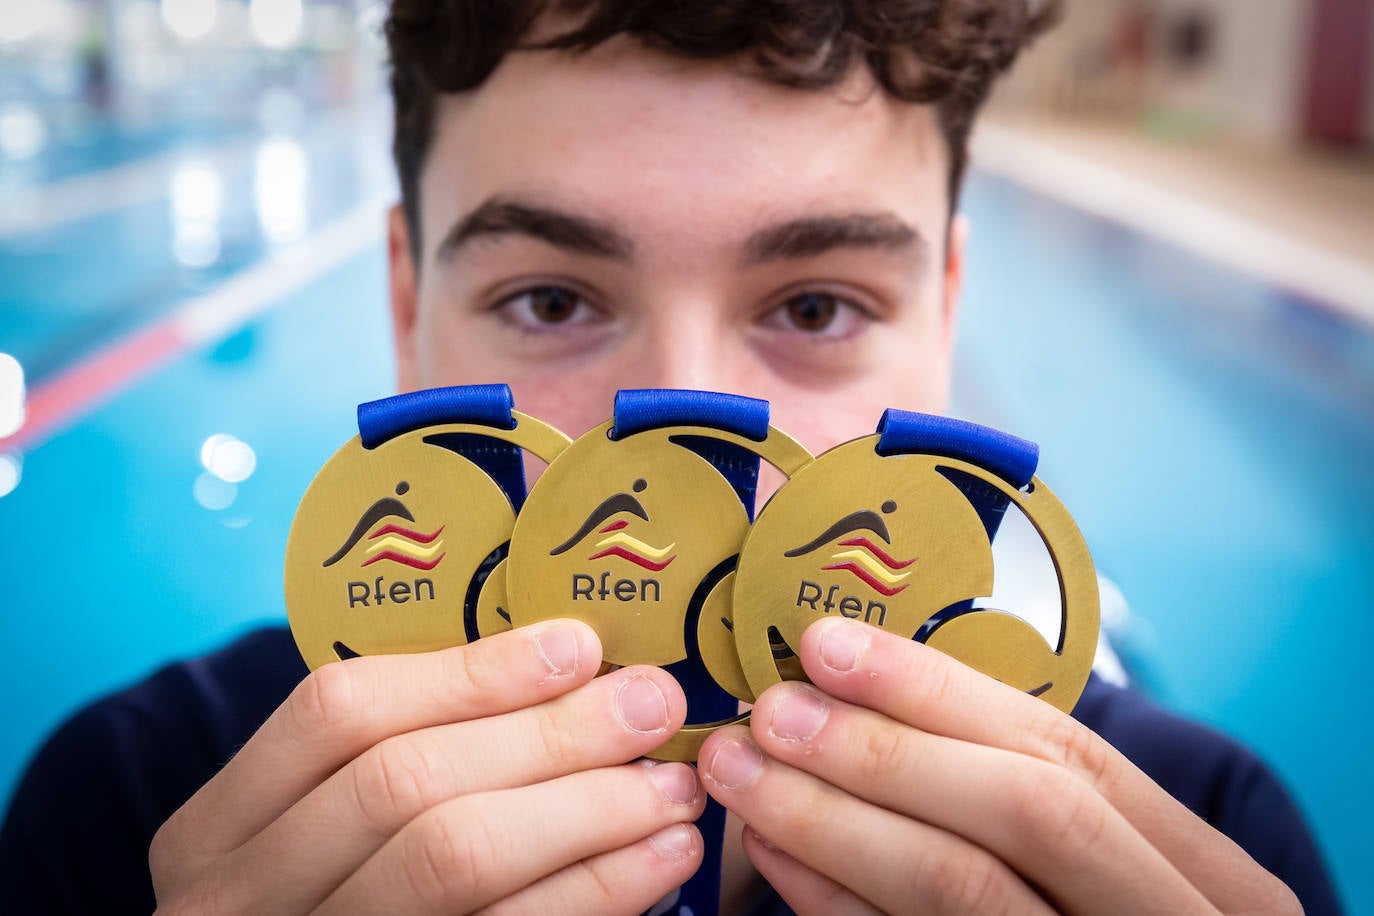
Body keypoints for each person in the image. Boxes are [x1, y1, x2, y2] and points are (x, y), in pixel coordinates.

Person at [0, 1, 1343, 913]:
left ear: (945, 312)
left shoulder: (1203, 837)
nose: (690, 440)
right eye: (552, 301)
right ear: (405, 308)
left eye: (814, 309)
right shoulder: (139, 806)